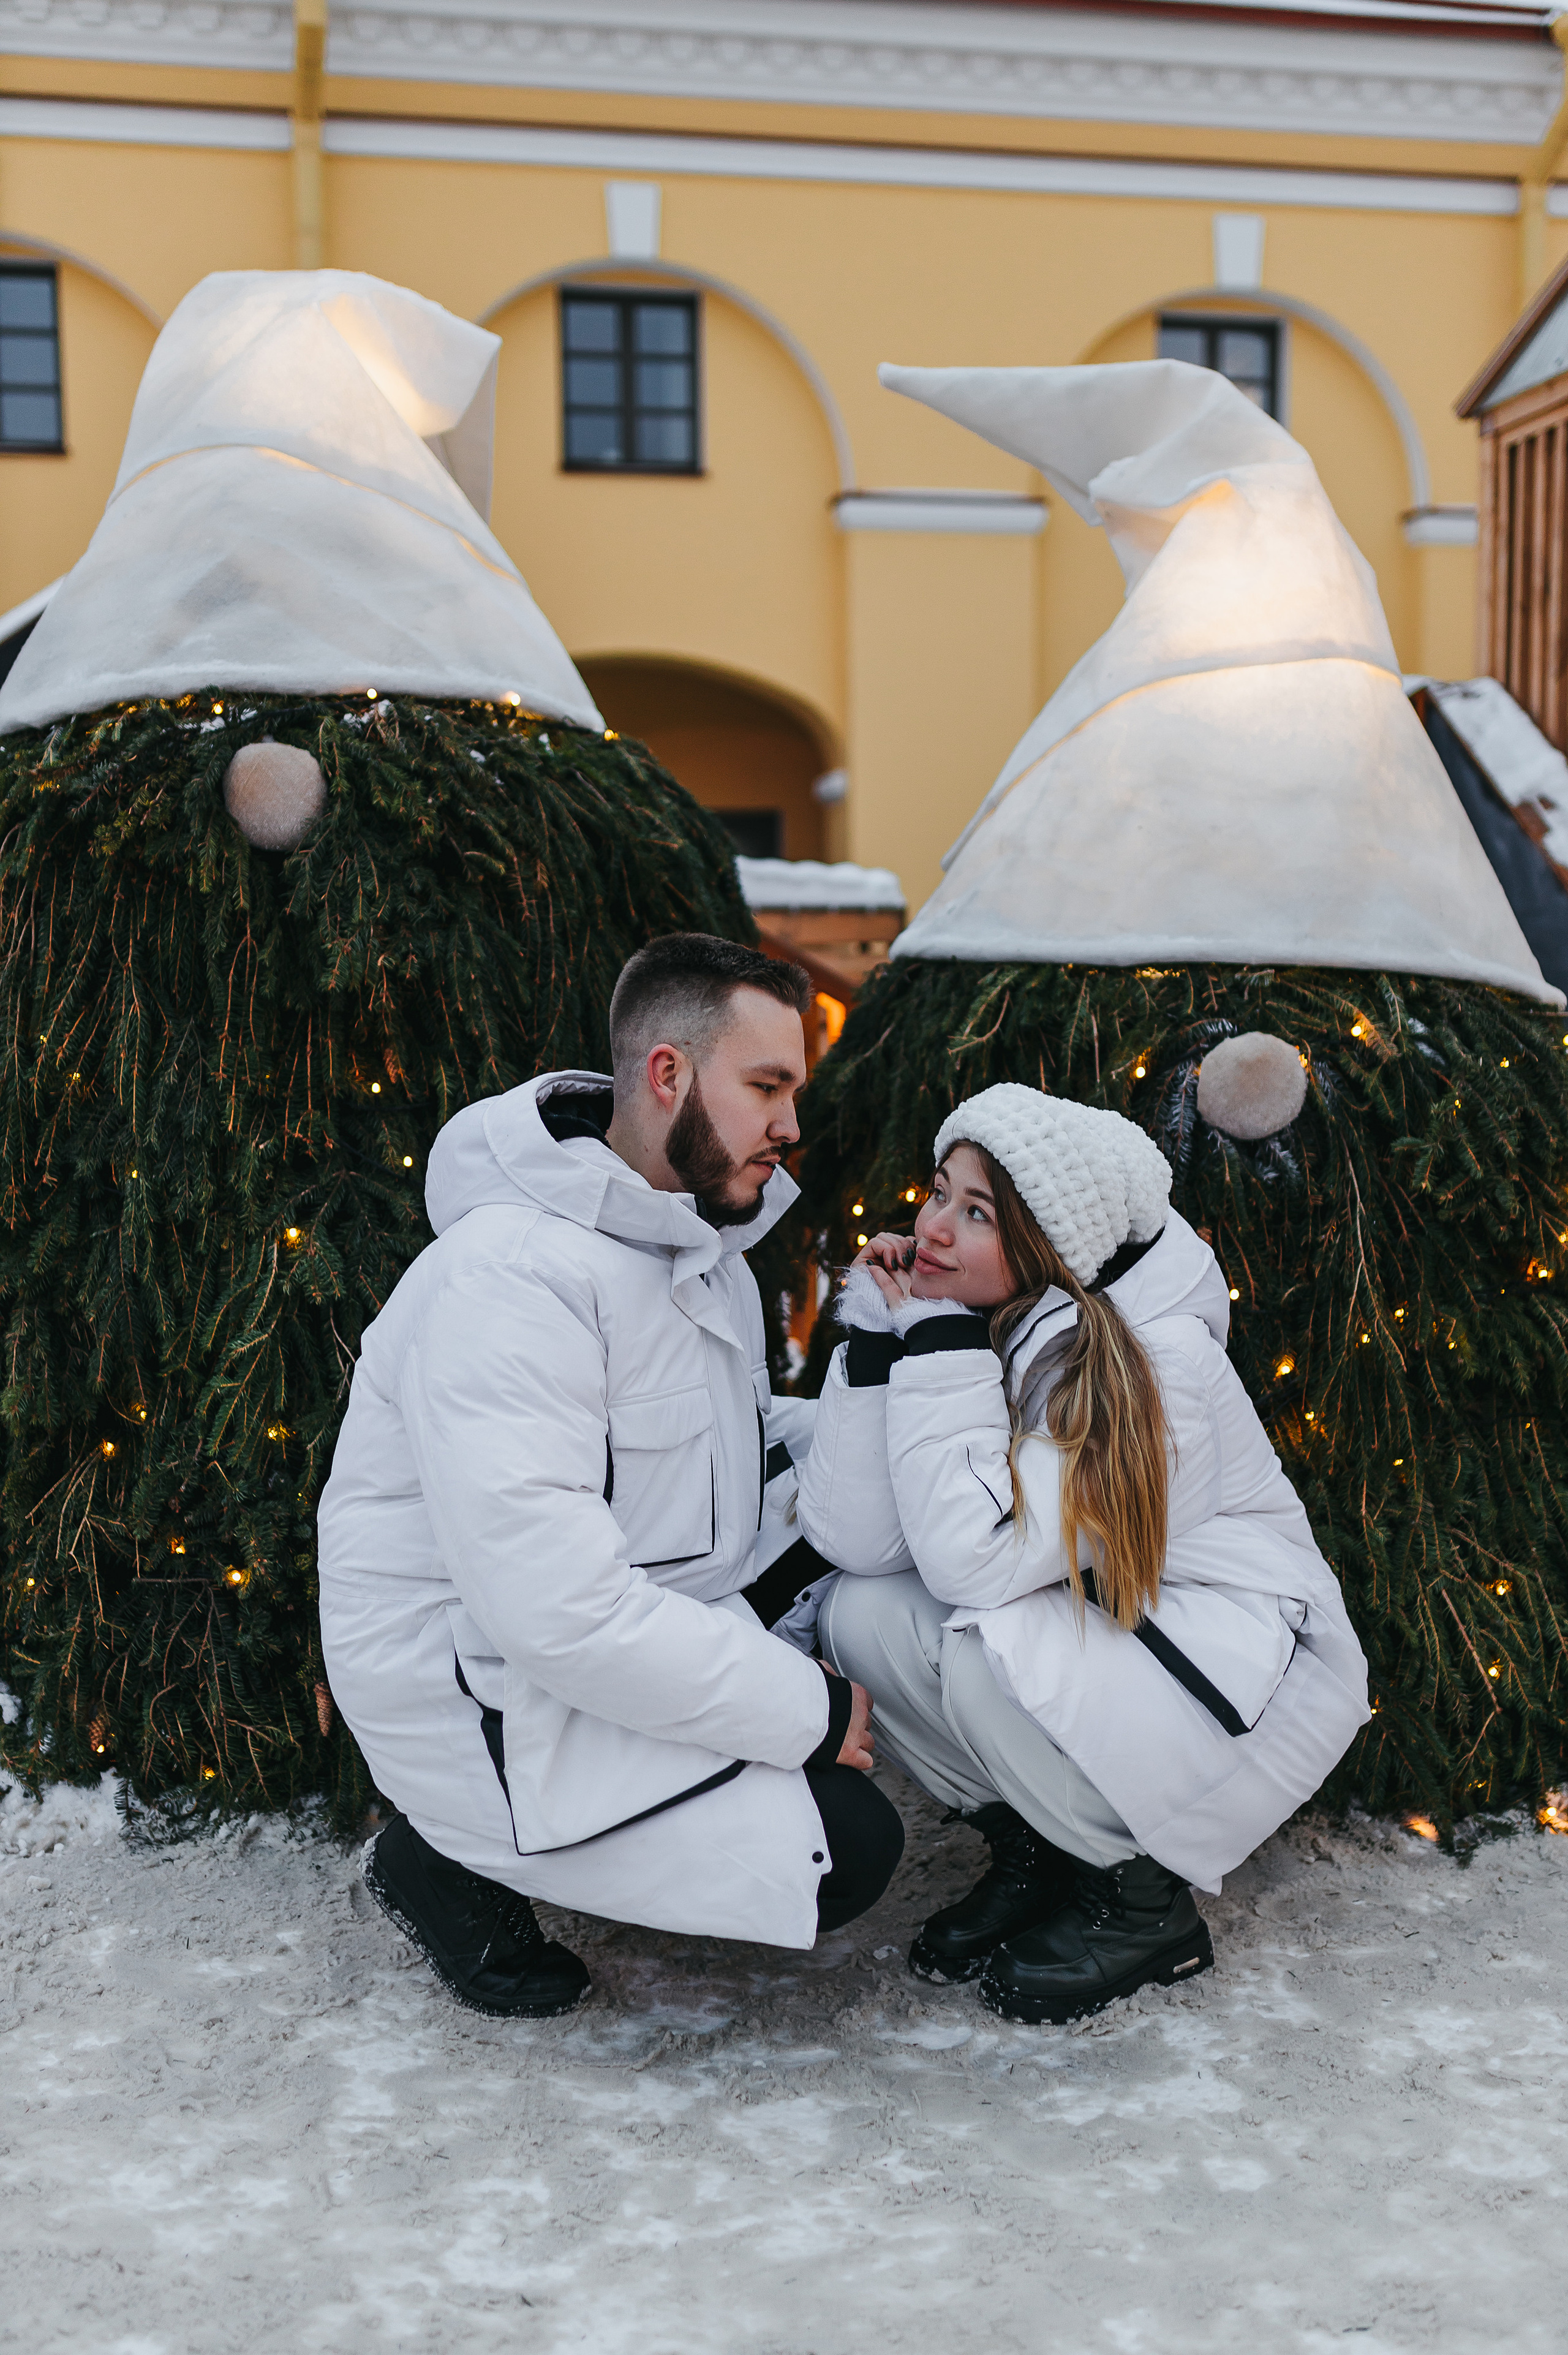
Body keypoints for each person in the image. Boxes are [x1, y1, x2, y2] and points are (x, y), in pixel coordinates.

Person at [318, 934, 903, 2019]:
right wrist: (803, 1710)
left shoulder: (692, 1244)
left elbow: (735, 1440)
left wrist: (896, 1379)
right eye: (767, 1086)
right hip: (480, 1689)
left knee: (881, 1528)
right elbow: (558, 1613)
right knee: (846, 1846)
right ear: (668, 1075)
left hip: (627, 1611)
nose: (791, 1125)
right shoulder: (508, 1282)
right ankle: (446, 1857)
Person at [797, 1083, 1370, 2025]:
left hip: (1236, 1659)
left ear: (1047, 1246)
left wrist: (935, 1342)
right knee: (860, 1613)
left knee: (989, 1657)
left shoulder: (1147, 1363)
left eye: (976, 1213)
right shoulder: (1003, 1318)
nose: (934, 1228)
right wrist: (872, 1342)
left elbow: (973, 1567)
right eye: (939, 1192)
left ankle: (1139, 1902)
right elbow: (860, 1541)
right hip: (1111, 1621)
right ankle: (1039, 1850)